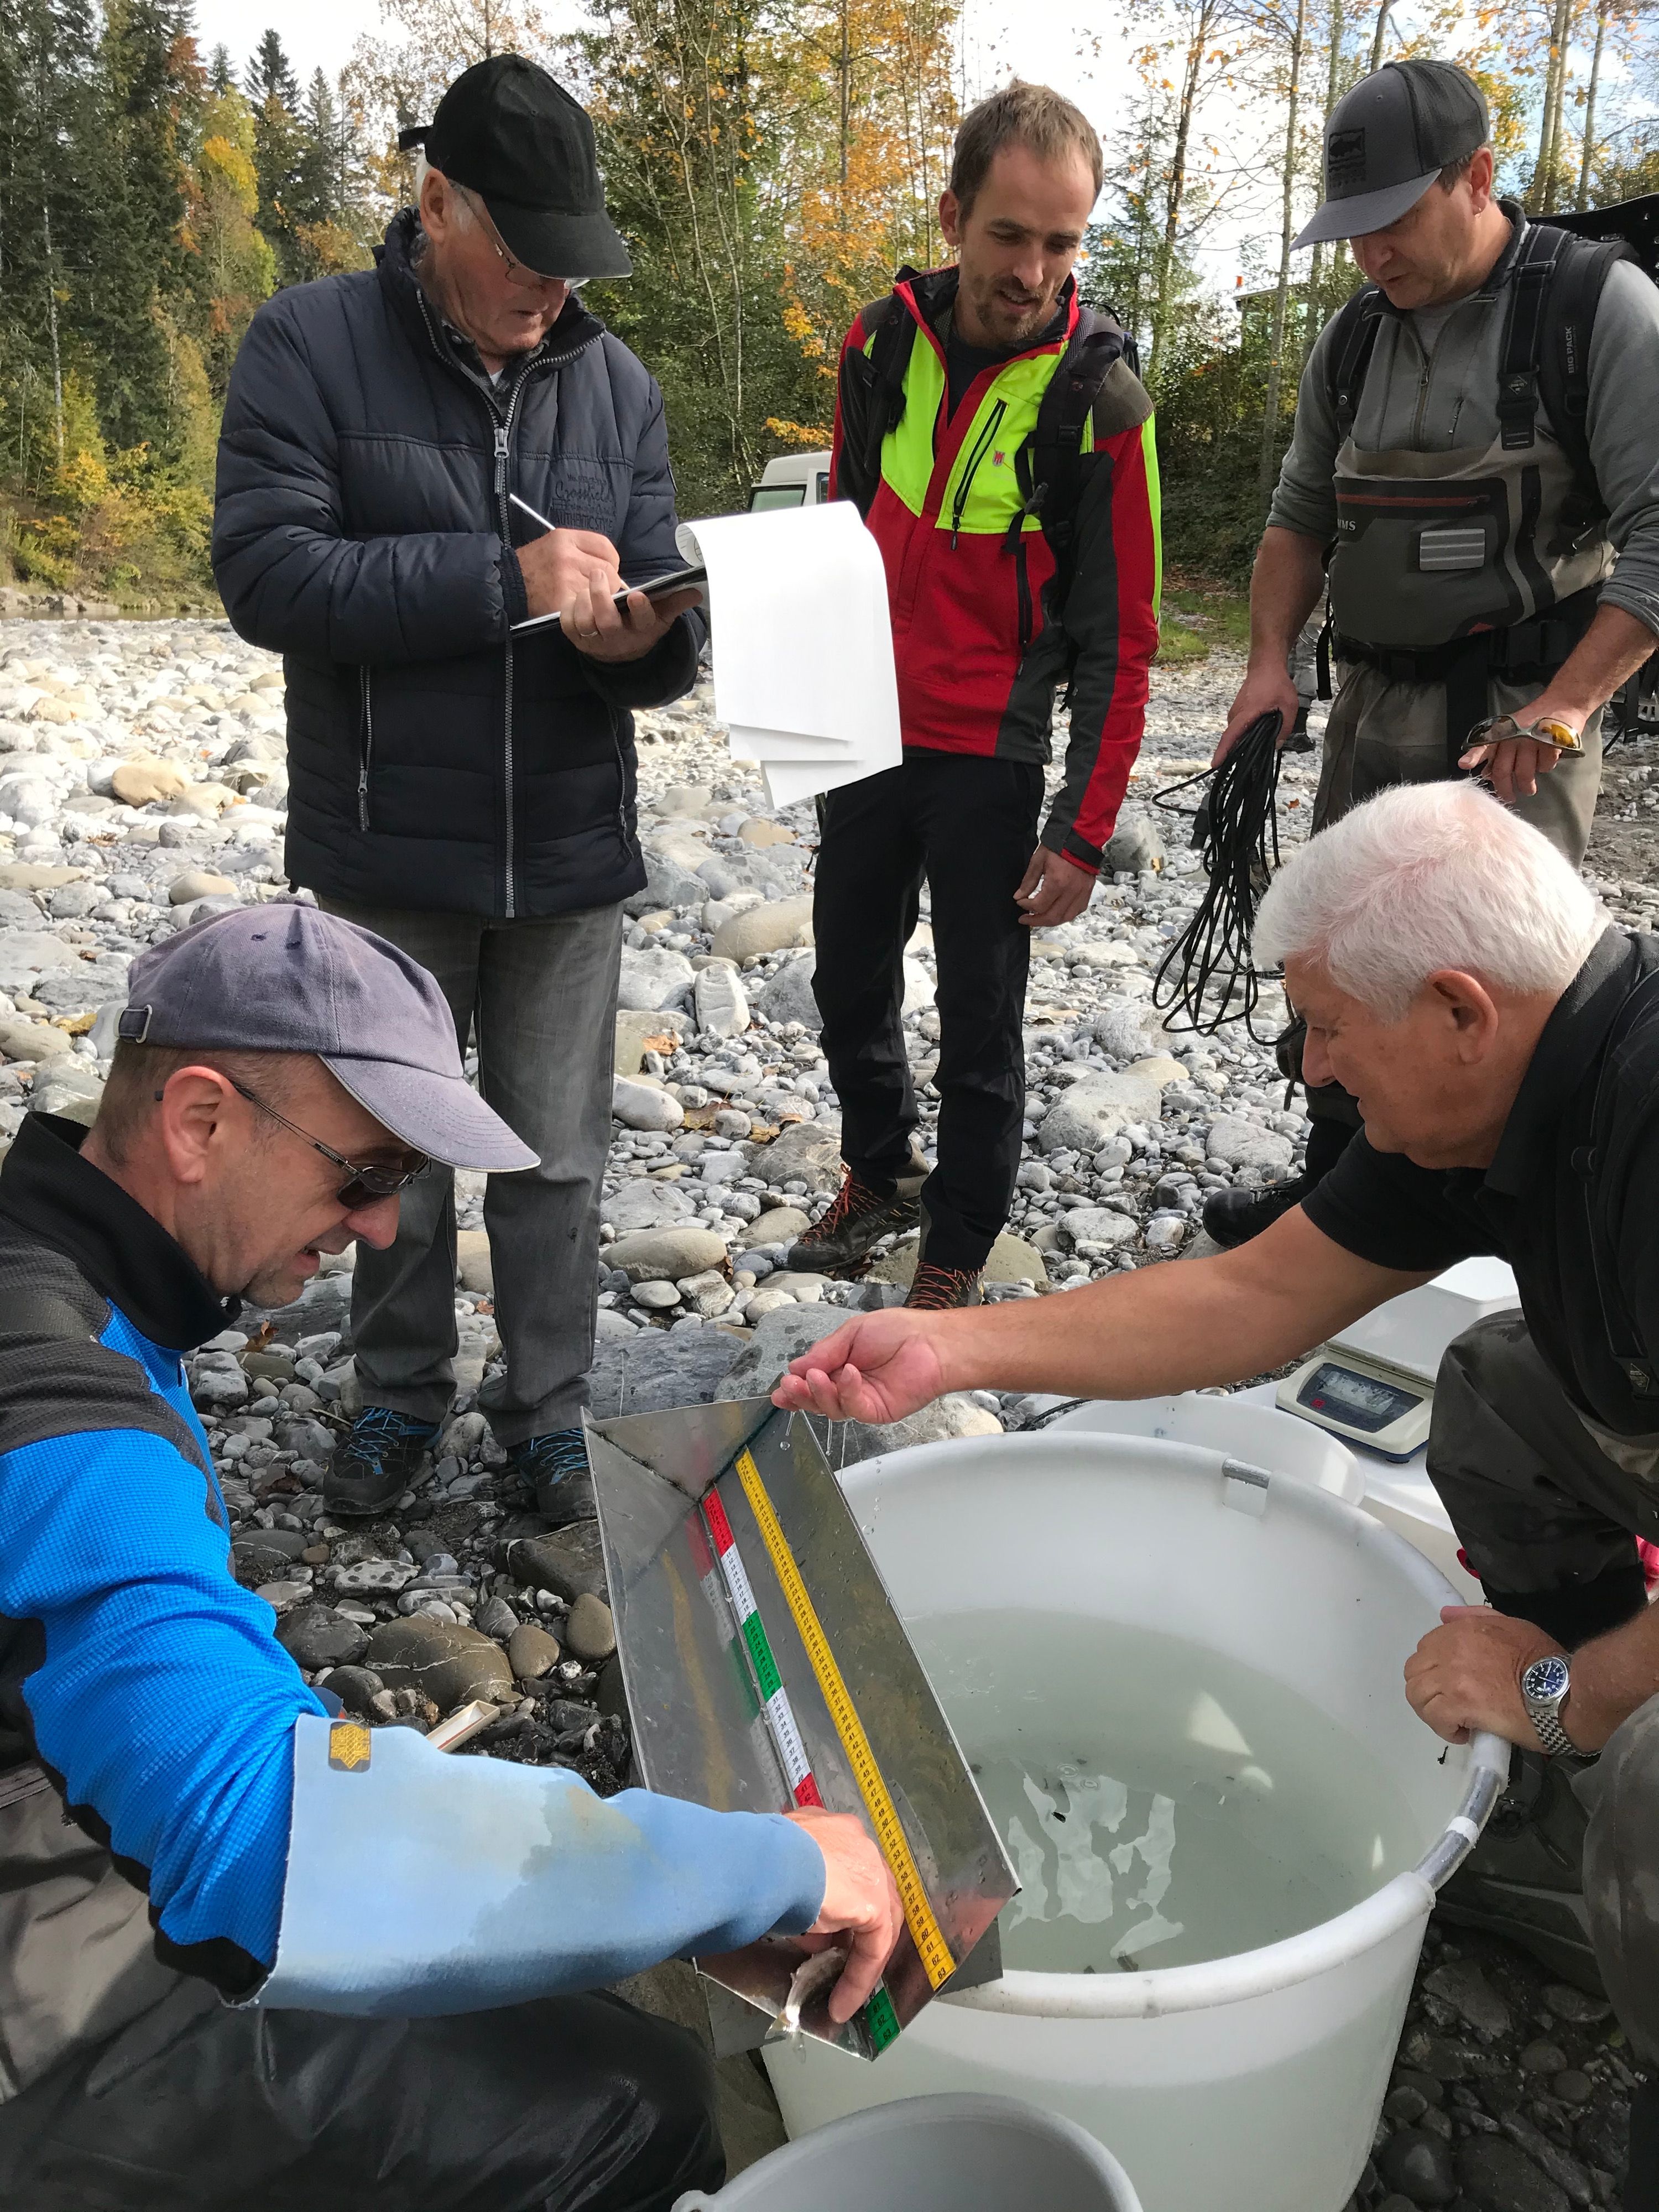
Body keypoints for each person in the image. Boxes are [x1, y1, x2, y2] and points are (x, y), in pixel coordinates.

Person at [774, 781, 1659, 2201]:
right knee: (1499, 1387)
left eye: (1329, 1026)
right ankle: (1576, 1813)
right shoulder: (1496, 1099)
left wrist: (1567, 1689)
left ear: (1460, 1008)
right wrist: (952, 1346)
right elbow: (1252, 1297)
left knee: (1655, 1773)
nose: (1312, 1068)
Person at [0, 904, 900, 2210]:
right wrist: (775, 1869)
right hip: (38, 2002)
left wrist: (636, 1902)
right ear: (199, 1120)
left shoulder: (62, 1273)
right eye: (363, 1172)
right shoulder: (60, 1406)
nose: (379, 1228)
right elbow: (262, 1835)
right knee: (633, 2100)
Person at [213, 53, 707, 1525]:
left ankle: (548, 1415)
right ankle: (396, 1397)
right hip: (386, 850)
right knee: (391, 1156)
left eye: (574, 259)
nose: (554, 287)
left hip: (568, 849)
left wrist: (640, 643)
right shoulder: (308, 343)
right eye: (527, 252)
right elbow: (267, 573)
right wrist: (504, 580)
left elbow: (659, 631)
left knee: (556, 1160)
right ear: (439, 205)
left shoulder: (618, 385)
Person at [1203, 58, 1659, 1251]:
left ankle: (1502, 1242)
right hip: (1371, 701)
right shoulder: (1354, 339)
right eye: (1352, 229)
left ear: (1477, 177)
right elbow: (1298, 518)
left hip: (1517, 720)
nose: (1371, 253)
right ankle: (1336, 1210)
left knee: (1491, 992)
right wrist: (1267, 664)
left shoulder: (1595, 310)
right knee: (1344, 963)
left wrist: (1567, 704)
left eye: (1394, 219)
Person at [795, 81, 1161, 1312]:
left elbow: (1123, 644)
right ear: (955, 218)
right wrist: (805, 707)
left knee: (980, 1016)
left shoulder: (1101, 404)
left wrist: (1084, 831)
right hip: (863, 729)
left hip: (992, 756)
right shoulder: (877, 345)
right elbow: (841, 534)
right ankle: (878, 1172)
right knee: (846, 979)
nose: (1034, 272)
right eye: (1010, 235)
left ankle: (954, 1248)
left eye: (1062, 242)